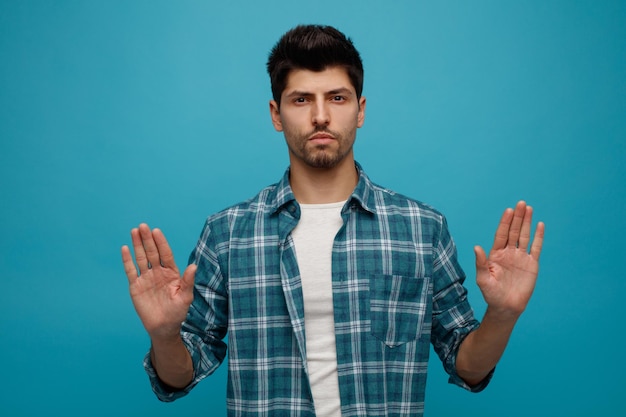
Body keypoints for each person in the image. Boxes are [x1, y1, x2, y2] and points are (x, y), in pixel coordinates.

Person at [121, 24, 545, 417]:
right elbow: (180, 374)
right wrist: (163, 335)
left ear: (360, 110)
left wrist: (502, 315)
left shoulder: (422, 229)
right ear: (276, 113)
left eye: (337, 98)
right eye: (301, 99)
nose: (320, 116)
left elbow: (466, 365)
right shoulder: (228, 233)